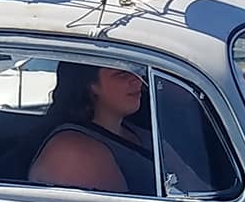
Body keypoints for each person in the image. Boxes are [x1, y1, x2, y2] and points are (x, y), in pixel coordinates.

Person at [28, 62, 156, 194]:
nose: (138, 80)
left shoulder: (137, 132)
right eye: (122, 74)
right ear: (91, 85)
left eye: (137, 71)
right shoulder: (73, 152)